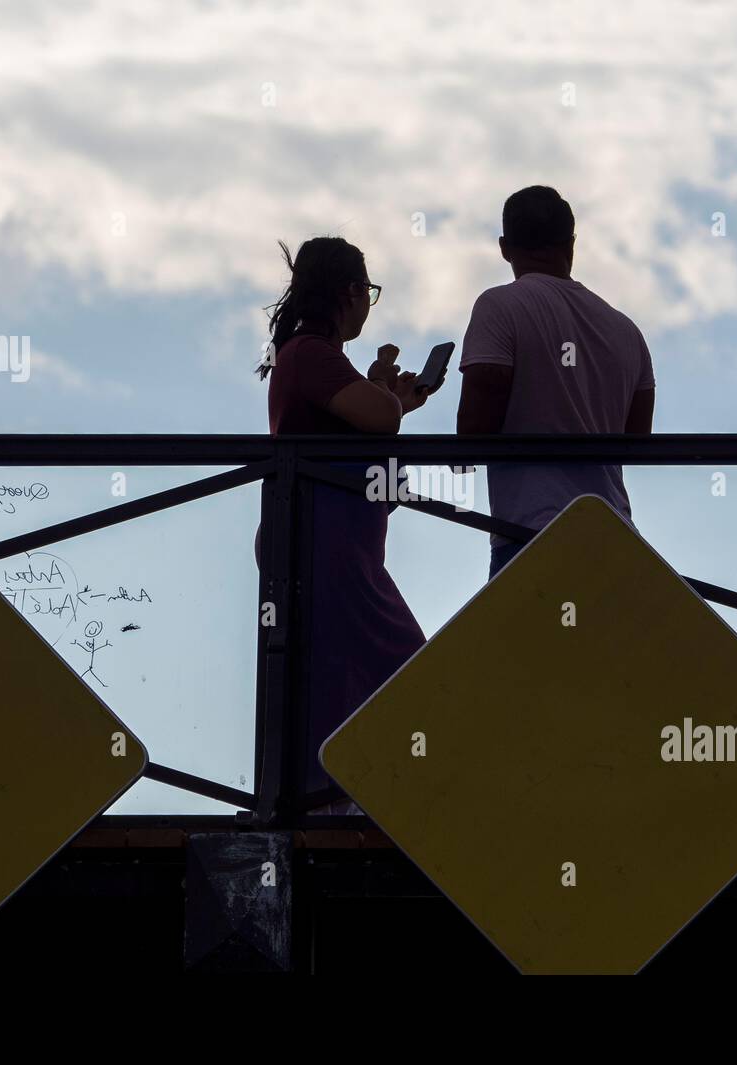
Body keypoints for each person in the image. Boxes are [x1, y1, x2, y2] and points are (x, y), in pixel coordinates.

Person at [258, 236, 436, 815]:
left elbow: (375, 428)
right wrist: (389, 396)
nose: (368, 305)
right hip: (326, 547)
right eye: (369, 292)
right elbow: (380, 419)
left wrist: (386, 395)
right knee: (397, 676)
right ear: (350, 291)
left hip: (332, 545)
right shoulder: (312, 355)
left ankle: (340, 806)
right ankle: (349, 808)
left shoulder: (312, 358)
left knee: (344, 678)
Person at [456, 186, 655, 578]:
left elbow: (475, 432)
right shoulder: (626, 330)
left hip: (531, 533)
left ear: (504, 247)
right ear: (571, 244)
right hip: (614, 536)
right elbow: (637, 445)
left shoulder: (499, 306)